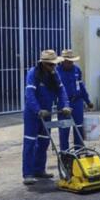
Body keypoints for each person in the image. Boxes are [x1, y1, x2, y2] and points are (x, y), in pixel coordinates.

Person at [22, 50, 71, 185]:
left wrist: (65, 105)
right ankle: (28, 173)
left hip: (47, 113)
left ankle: (39, 170)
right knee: (30, 143)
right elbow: (29, 94)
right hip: (33, 114)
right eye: (51, 65)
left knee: (44, 142)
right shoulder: (33, 73)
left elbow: (61, 91)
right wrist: (38, 110)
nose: (53, 67)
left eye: (54, 65)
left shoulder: (54, 75)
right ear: (43, 63)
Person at [57, 49, 93, 151]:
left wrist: (88, 100)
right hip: (64, 104)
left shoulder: (77, 70)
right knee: (64, 129)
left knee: (79, 128)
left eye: (72, 61)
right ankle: (65, 153)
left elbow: (81, 86)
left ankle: (79, 151)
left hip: (77, 102)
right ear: (63, 61)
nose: (70, 63)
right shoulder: (57, 72)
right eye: (68, 61)